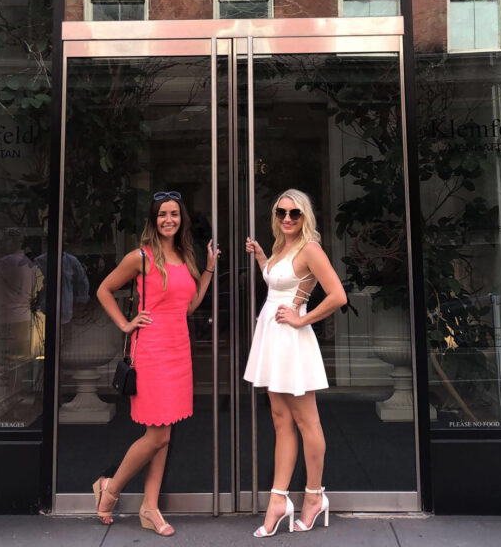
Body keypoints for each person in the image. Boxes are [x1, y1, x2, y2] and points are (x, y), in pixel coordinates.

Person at [93, 191, 219, 534]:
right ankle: (111, 487)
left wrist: (208, 269)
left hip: (179, 350)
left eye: (174, 214)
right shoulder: (141, 257)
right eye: (162, 214)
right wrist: (125, 323)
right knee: (156, 434)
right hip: (151, 350)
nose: (169, 220)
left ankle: (150, 508)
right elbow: (104, 289)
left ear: (182, 219)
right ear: (154, 219)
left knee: (163, 432)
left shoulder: (183, 254)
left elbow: (189, 306)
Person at [244, 189, 347, 538]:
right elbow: (278, 285)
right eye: (281, 212)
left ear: (305, 217)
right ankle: (278, 499)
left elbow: (337, 295)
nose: (287, 218)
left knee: (306, 420)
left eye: (294, 213)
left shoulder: (310, 249)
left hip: (291, 339)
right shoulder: (280, 249)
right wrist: (261, 257)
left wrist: (304, 320)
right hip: (272, 337)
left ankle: (315, 495)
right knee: (280, 420)